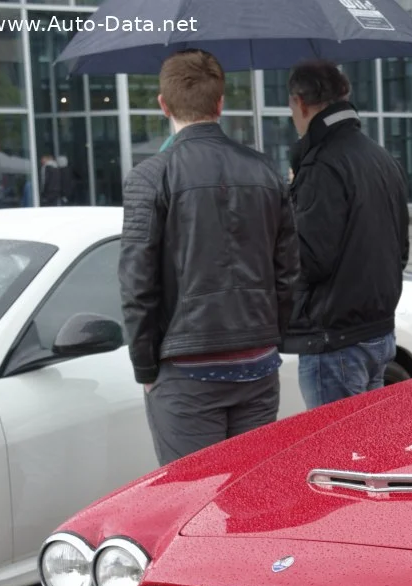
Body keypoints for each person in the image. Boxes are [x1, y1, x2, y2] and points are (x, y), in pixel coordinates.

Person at [119, 49, 298, 465]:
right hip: (256, 361)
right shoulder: (266, 171)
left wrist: (144, 369)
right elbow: (288, 271)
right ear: (220, 103)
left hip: (186, 370)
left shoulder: (151, 177)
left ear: (163, 105)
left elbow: (137, 283)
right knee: (251, 496)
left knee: (191, 501)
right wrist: (274, 337)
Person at [285, 58, 410, 409]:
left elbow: (309, 260)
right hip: (378, 332)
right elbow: (400, 249)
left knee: (336, 458)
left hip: (334, 341)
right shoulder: (383, 158)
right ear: (345, 95)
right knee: (369, 453)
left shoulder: (322, 165)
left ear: (300, 102)